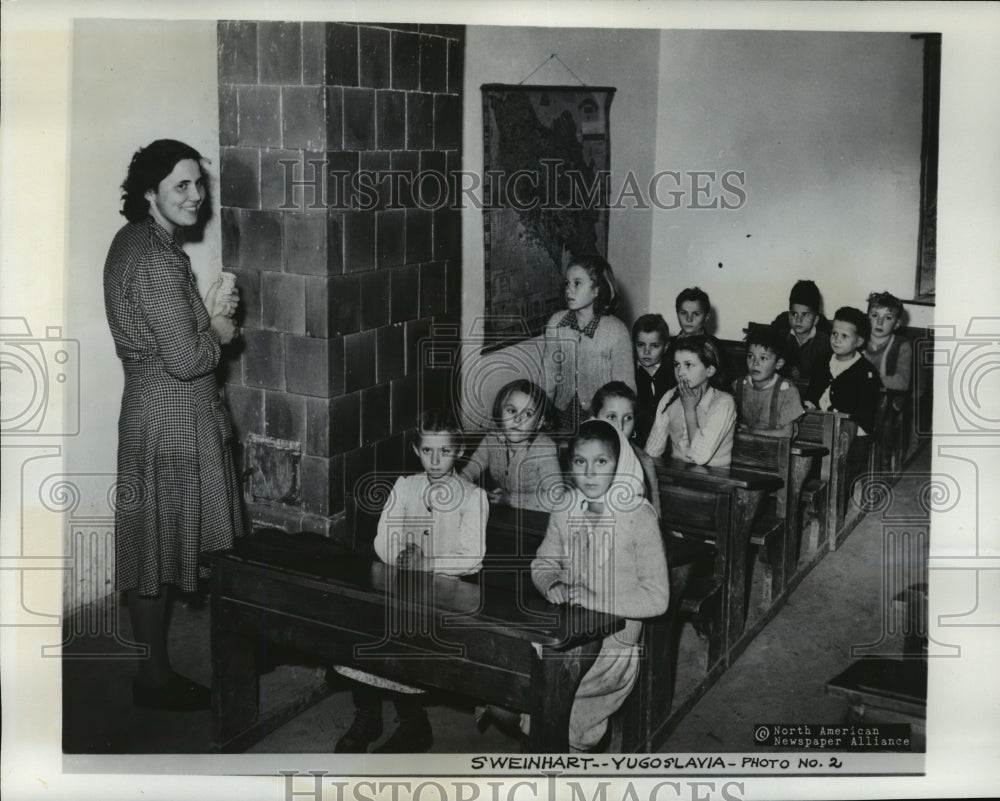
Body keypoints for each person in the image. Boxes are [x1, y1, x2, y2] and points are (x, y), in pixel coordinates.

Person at [104, 139, 244, 711]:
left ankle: (153, 672)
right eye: (180, 186)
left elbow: (163, 338)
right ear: (149, 193)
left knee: (152, 548)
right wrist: (219, 329)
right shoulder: (159, 259)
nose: (195, 195)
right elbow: (188, 359)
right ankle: (161, 678)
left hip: (148, 409)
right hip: (174, 417)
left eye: (198, 184)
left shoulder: (132, 242)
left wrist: (203, 310)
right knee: (167, 549)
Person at [335, 410, 488, 753]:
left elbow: (473, 556)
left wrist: (426, 563)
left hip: (445, 594)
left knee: (405, 635)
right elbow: (382, 539)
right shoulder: (406, 487)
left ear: (458, 451)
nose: (436, 460)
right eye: (428, 451)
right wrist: (400, 555)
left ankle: (414, 722)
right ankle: (367, 715)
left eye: (444, 451)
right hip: (401, 583)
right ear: (417, 450)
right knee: (364, 624)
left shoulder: (471, 497)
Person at [530, 419, 670, 751]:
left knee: (551, 707)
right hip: (570, 632)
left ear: (619, 464)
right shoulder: (566, 507)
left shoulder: (638, 515)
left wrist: (597, 599)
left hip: (614, 649)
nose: (590, 473)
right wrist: (551, 582)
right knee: (521, 692)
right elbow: (544, 562)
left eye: (601, 462)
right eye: (580, 462)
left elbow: (658, 598)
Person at [543, 255, 635, 431]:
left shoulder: (616, 330)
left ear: (597, 290)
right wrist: (544, 414)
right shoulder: (556, 323)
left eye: (577, 283)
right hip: (562, 412)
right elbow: (549, 376)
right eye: (567, 283)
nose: (569, 290)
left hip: (602, 415)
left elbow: (626, 387)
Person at [460, 379, 563, 512]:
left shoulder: (544, 449)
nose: (518, 419)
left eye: (528, 414)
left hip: (539, 518)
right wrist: (465, 488)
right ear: (500, 413)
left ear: (539, 422)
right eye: (512, 410)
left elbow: (557, 498)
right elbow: (468, 472)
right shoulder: (492, 440)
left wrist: (510, 499)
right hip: (508, 514)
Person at [644, 335, 737, 467]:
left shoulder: (724, 403)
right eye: (677, 365)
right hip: (678, 477)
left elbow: (700, 457)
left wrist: (689, 410)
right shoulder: (670, 397)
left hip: (715, 481)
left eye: (689, 365)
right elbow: (653, 451)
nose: (680, 372)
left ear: (709, 370)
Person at [804, 307, 883, 436]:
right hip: (818, 425)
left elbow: (866, 414)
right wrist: (808, 405)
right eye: (834, 333)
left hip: (851, 432)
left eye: (844, 336)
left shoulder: (866, 372)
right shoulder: (822, 362)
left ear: (859, 341)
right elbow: (812, 394)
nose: (836, 339)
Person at [591, 382, 661, 518]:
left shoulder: (643, 461)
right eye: (611, 417)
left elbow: (655, 515)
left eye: (628, 418)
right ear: (594, 418)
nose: (620, 426)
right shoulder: (581, 456)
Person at [732, 326, 805, 437]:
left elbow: (787, 434)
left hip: (776, 451)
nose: (755, 363)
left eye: (763, 358)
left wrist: (751, 431)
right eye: (751, 356)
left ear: (778, 363)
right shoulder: (738, 385)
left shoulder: (787, 391)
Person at [769, 279, 833, 382]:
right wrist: (787, 369)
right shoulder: (781, 335)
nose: (798, 320)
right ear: (788, 315)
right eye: (794, 314)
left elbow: (826, 372)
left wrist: (805, 373)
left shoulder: (825, 342)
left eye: (805, 315)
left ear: (815, 319)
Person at [632, 313, 672, 448]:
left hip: (666, 442)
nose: (646, 351)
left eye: (654, 346)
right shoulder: (629, 373)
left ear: (666, 346)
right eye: (640, 345)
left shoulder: (673, 373)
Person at [863, 291, 913, 399]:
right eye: (875, 315)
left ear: (897, 324)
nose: (880, 322)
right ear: (867, 317)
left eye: (888, 318)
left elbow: (902, 382)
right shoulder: (859, 340)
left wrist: (867, 380)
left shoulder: (902, 345)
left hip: (888, 401)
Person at [674, 287, 727, 388]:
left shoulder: (716, 347)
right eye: (683, 313)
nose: (689, 319)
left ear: (706, 317)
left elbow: (721, 383)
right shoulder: (669, 345)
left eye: (696, 314)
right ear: (677, 314)